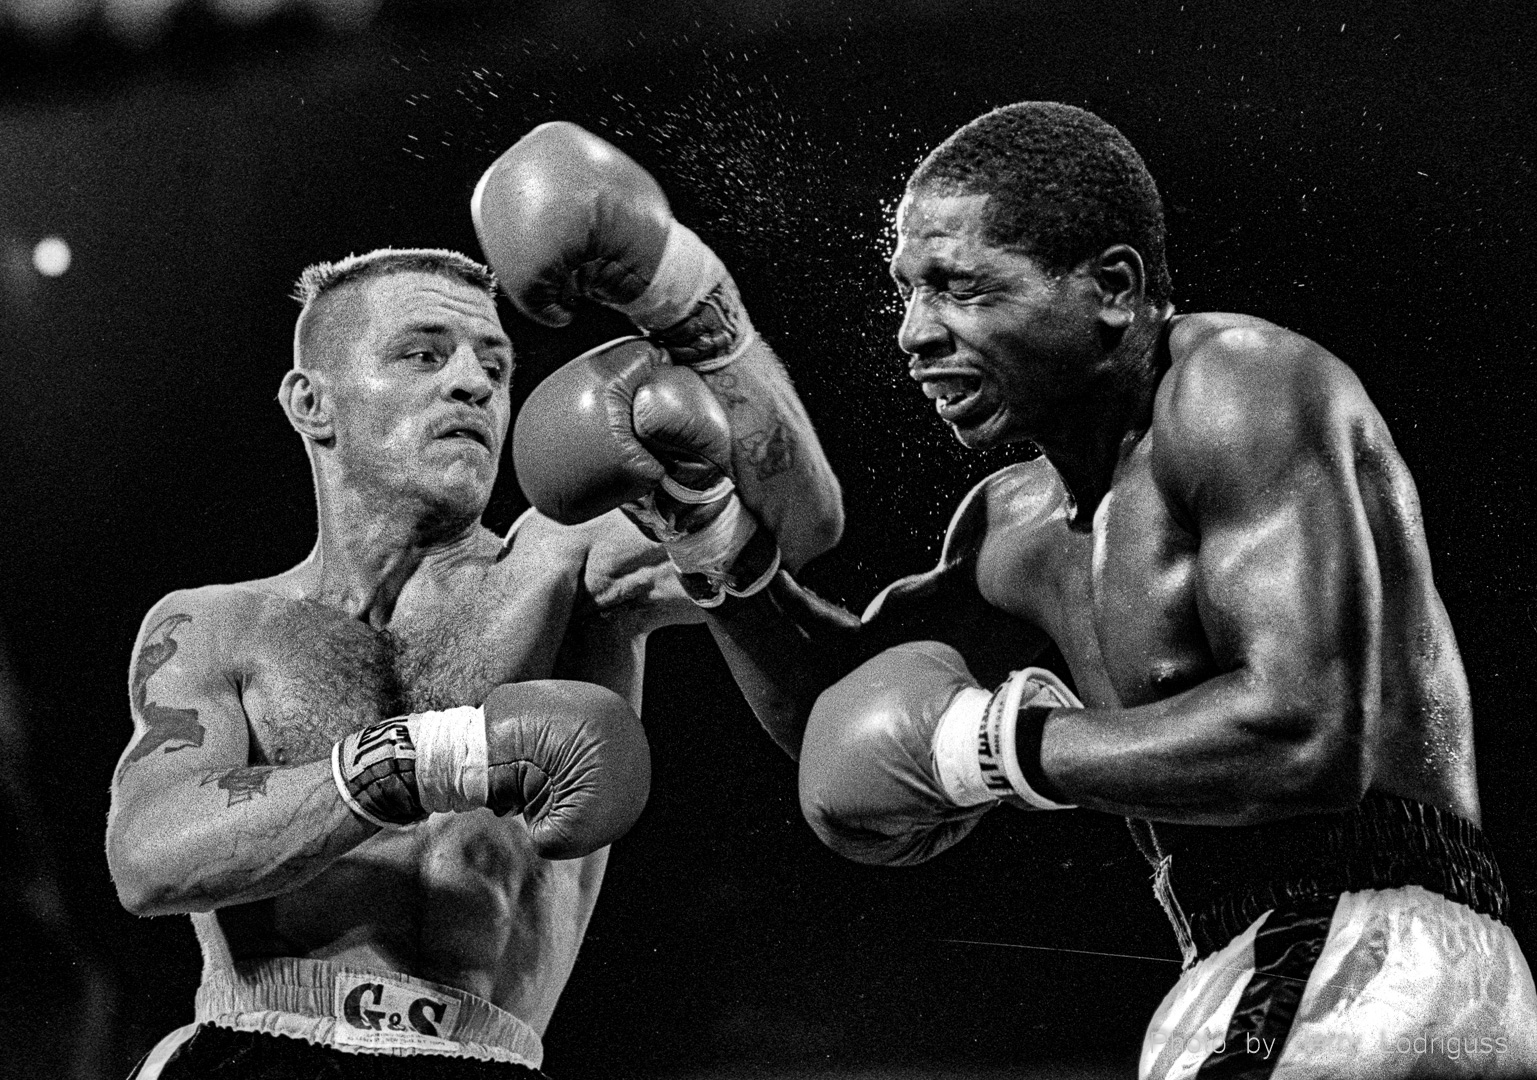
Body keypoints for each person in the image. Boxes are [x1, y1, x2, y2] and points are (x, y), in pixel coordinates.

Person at [702, 101, 1537, 1077]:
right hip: (1291, 965)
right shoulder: (1008, 525)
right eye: (905, 292)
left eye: (958, 288)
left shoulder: (1233, 387)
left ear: (1110, 286)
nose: (912, 334)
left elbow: (1305, 736)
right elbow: (841, 718)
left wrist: (1000, 748)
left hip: (1356, 950)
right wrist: (708, 537)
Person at [105, 121, 841, 1080]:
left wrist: (685, 297)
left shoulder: (565, 562)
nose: (471, 383)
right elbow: (149, 860)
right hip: (255, 1050)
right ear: (310, 402)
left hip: (480, 1059)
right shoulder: (214, 623)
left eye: (495, 367)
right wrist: (439, 757)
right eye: (422, 354)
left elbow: (803, 519)